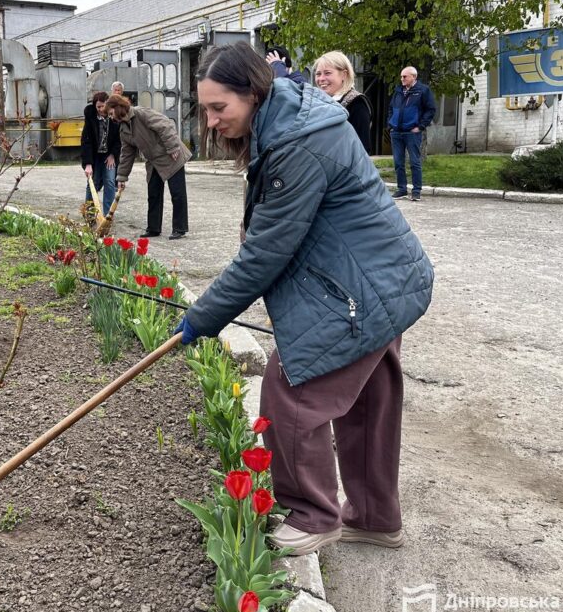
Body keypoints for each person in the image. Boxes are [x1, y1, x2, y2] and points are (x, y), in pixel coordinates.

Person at [176, 42, 433, 557]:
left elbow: (266, 252)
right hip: (382, 279)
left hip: (361, 291)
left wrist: (200, 318)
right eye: (204, 108)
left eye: (218, 107)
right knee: (365, 406)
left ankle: (315, 515)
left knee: (290, 391)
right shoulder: (291, 121)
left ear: (252, 93)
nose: (209, 121)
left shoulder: (297, 143)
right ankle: (376, 519)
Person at [106, 93, 190, 240]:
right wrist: (122, 177)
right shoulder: (124, 128)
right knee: (153, 194)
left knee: (177, 193)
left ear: (118, 107)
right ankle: (153, 228)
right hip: (153, 161)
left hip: (171, 155)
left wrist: (172, 147)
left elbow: (165, 125)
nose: (111, 117)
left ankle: (180, 228)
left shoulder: (141, 113)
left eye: (111, 113)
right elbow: (126, 153)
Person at [387, 66, 437, 201]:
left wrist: (420, 126)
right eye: (401, 77)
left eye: (405, 77)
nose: (402, 79)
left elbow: (431, 109)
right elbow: (391, 108)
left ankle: (416, 191)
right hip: (396, 132)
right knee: (398, 162)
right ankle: (402, 189)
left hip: (412, 132)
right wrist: (390, 124)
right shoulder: (398, 91)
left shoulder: (422, 90)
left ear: (414, 77)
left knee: (414, 162)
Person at [313, 51, 373, 155]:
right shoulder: (317, 102)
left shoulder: (357, 103)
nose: (321, 79)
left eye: (327, 73)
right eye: (318, 74)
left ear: (344, 75)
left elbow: (362, 149)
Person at [80, 91, 120, 215]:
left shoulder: (115, 117)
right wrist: (88, 164)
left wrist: (113, 155)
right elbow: (86, 141)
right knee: (93, 183)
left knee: (110, 182)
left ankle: (108, 216)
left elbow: (120, 139)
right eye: (98, 107)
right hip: (94, 156)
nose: (101, 109)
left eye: (103, 106)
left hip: (109, 155)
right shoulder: (91, 117)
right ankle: (90, 216)